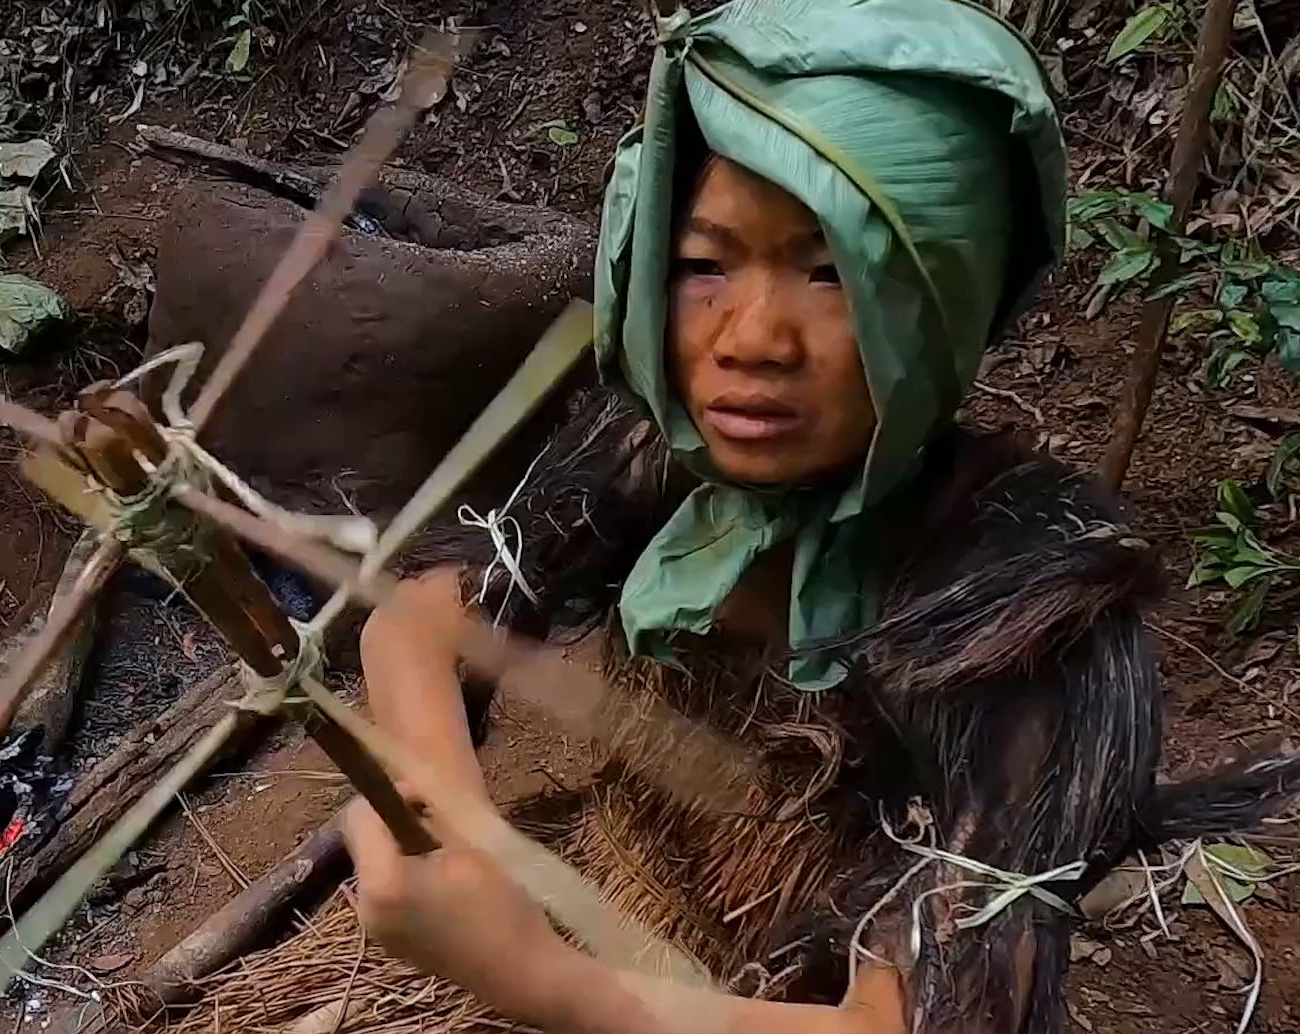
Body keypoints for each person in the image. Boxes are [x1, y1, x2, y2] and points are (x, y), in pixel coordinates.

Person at [341, 2, 1300, 1033]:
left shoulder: (1028, 608)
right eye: (705, 264)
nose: (752, 338)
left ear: (940, 299)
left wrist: (545, 982)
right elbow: (426, 608)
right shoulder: (661, 452)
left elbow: (931, 1022)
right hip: (645, 895)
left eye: (835, 272)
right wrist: (454, 810)